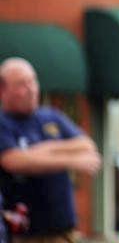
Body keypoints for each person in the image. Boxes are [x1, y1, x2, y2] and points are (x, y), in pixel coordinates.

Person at [0, 57, 101, 243]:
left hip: (64, 231)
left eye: (33, 81)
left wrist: (39, 150)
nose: (31, 89)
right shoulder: (4, 123)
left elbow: (86, 146)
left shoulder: (51, 117)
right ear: (3, 90)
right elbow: (13, 161)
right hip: (23, 235)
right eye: (22, 84)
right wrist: (69, 160)